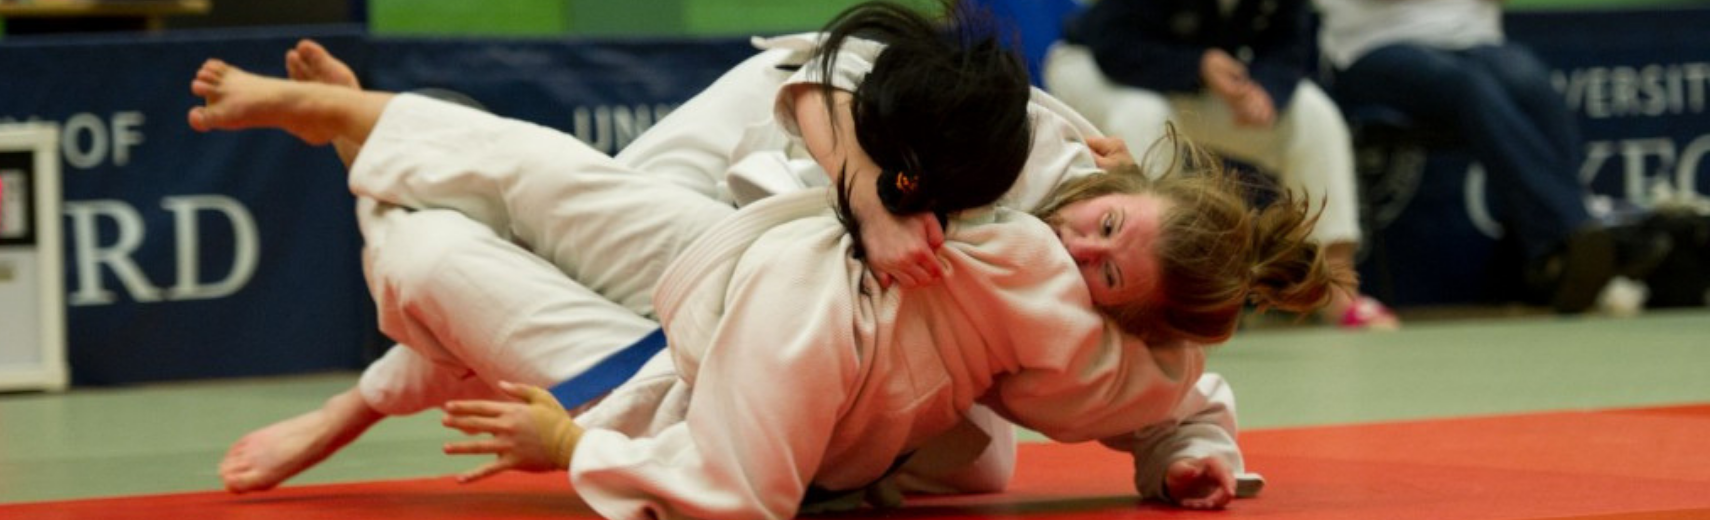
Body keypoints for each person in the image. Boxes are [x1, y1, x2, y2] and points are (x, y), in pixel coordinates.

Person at [192, 13, 1339, 519]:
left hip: (815, 357)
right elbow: (812, 78)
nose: (1084, 251)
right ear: (1113, 168)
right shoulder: (1037, 141)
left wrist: (1194, 453)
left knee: (450, 265)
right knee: (546, 202)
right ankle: (362, 128)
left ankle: (373, 159)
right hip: (748, 188)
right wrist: (869, 210)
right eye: (1103, 226)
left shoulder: (1106, 318)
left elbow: (1173, 388)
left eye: (1105, 275)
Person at [1040, 0, 1396, 330]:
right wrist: (1197, 65)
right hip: (1099, 68)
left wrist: (1267, 89)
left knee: (1312, 114)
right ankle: (1151, 296)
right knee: (1144, 117)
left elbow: (1290, 42)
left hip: (1197, 85)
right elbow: (1113, 42)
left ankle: (1336, 287)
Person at [1312, 0, 1659, 313]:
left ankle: (1558, 257)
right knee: (1468, 87)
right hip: (1372, 47)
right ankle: (1575, 234)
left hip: (1473, 39)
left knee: (1533, 87)